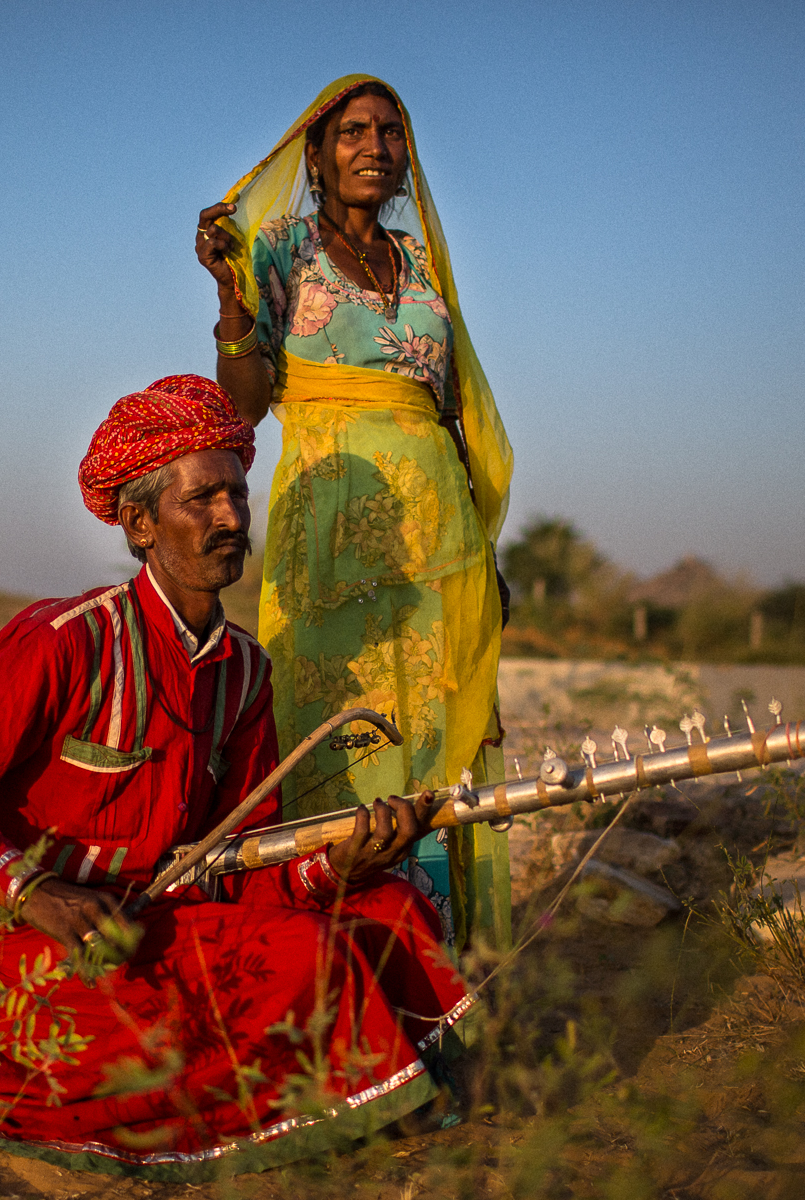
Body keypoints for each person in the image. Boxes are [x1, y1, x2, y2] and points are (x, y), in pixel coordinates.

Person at [0, 374, 473, 1181]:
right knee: (305, 956)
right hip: (52, 951)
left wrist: (338, 864)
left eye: (237, 495)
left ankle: (377, 1091)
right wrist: (32, 893)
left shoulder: (244, 674)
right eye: (203, 500)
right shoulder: (62, 642)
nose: (230, 518)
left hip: (176, 929)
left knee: (389, 906)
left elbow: (238, 864)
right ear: (139, 522)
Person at [194, 76, 515, 952]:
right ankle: (345, 969)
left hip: (439, 536)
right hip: (330, 533)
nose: (374, 146)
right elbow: (249, 401)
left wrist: (483, 554)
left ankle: (441, 976)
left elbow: (448, 407)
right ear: (317, 154)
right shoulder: (281, 249)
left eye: (390, 132)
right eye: (353, 133)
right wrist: (231, 304)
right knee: (335, 734)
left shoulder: (422, 261)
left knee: (437, 739)